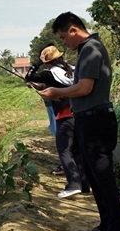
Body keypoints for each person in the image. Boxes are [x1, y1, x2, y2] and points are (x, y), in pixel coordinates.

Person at [38, 13, 120, 231]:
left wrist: (56, 93)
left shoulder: (91, 49)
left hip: (96, 122)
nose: (63, 43)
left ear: (74, 30)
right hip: (87, 121)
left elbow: (84, 88)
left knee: (104, 180)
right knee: (96, 179)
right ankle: (105, 226)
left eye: (63, 37)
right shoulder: (86, 50)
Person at [26, 45, 90, 199]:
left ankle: (73, 185)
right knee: (76, 150)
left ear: (47, 61)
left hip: (65, 116)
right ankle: (84, 185)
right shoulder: (72, 69)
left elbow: (29, 76)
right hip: (80, 115)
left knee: (64, 150)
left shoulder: (50, 73)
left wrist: (37, 63)